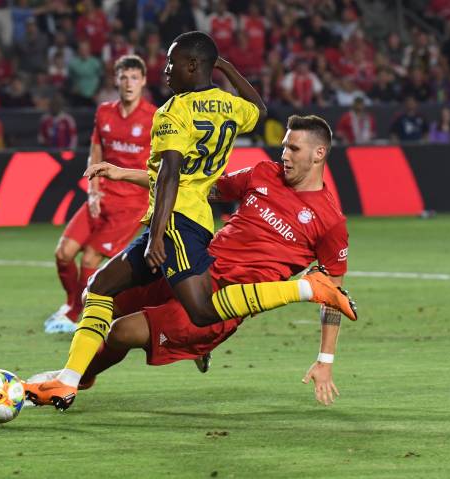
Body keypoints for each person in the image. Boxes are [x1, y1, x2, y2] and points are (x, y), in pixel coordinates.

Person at [26, 33, 355, 412]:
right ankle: (70, 378)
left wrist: (325, 360)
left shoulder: (329, 220)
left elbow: (172, 174)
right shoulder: (257, 163)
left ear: (319, 154)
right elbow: (206, 175)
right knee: (97, 290)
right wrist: (126, 173)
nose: (283, 154)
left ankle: (75, 379)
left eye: (292, 149)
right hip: (199, 255)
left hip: (199, 261)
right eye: (283, 146)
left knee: (144, 325)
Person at [44, 55, 156, 333]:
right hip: (101, 197)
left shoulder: (155, 118)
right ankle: (71, 307)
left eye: (134, 77)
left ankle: (83, 317)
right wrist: (92, 191)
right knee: (63, 253)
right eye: (123, 77)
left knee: (91, 260)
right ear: (115, 80)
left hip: (131, 203)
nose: (128, 83)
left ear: (143, 81)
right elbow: (96, 153)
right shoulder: (105, 112)